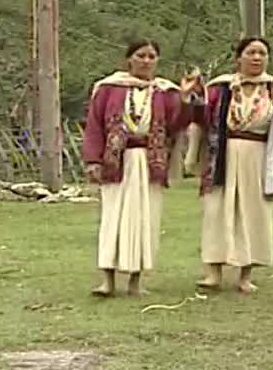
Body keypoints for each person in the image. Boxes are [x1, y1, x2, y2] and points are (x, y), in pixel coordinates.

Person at [82, 39, 201, 297]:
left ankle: (136, 282)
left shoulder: (163, 92)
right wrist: (93, 160)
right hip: (116, 162)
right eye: (141, 55)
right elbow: (94, 125)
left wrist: (184, 98)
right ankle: (107, 280)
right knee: (113, 216)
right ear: (129, 59)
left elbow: (177, 124)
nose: (146, 61)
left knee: (145, 218)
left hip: (150, 162)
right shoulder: (108, 88)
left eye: (151, 56)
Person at [189, 36, 273, 295]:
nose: (257, 58)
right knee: (217, 209)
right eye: (251, 52)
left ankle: (245, 274)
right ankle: (213, 272)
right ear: (239, 57)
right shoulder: (222, 87)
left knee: (253, 211)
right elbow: (201, 116)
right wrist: (194, 99)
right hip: (224, 155)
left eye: (262, 53)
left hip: (257, 156)